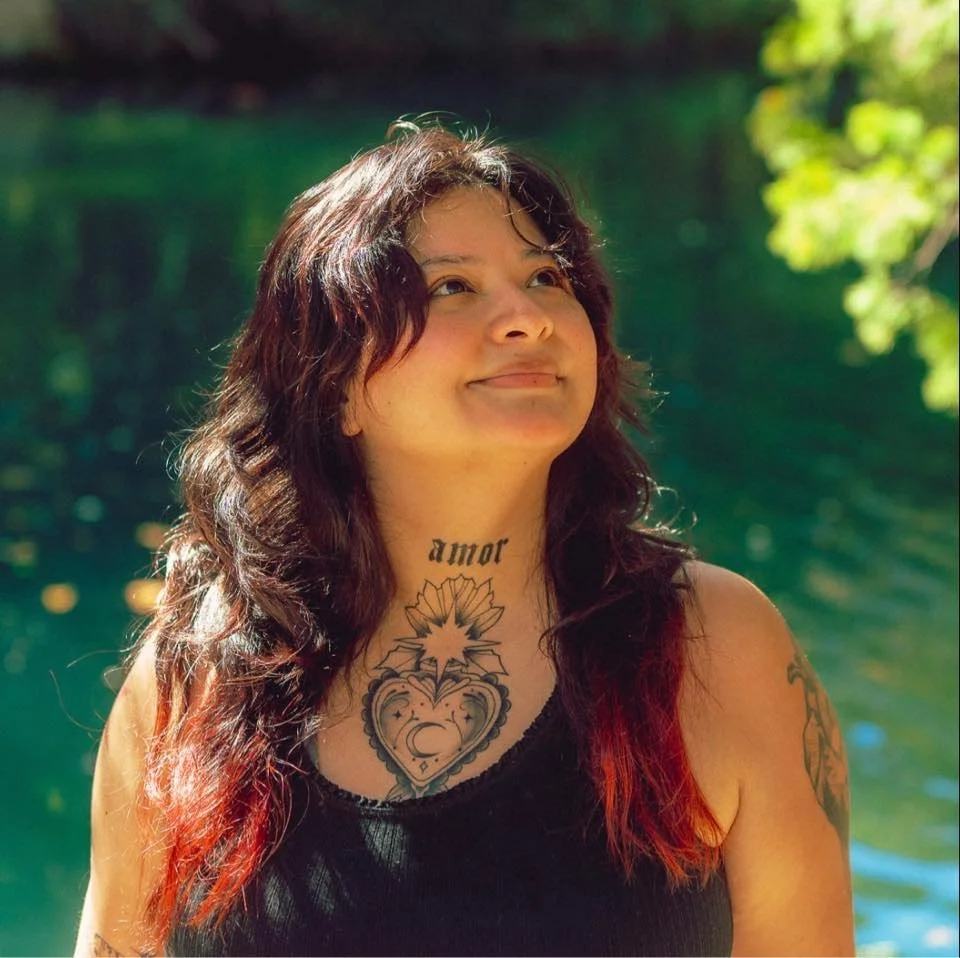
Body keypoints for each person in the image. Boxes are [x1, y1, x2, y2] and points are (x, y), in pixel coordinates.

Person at [74, 122, 854, 957]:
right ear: (332, 387)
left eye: (548, 278)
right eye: (451, 288)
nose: (529, 318)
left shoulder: (713, 645)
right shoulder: (197, 677)